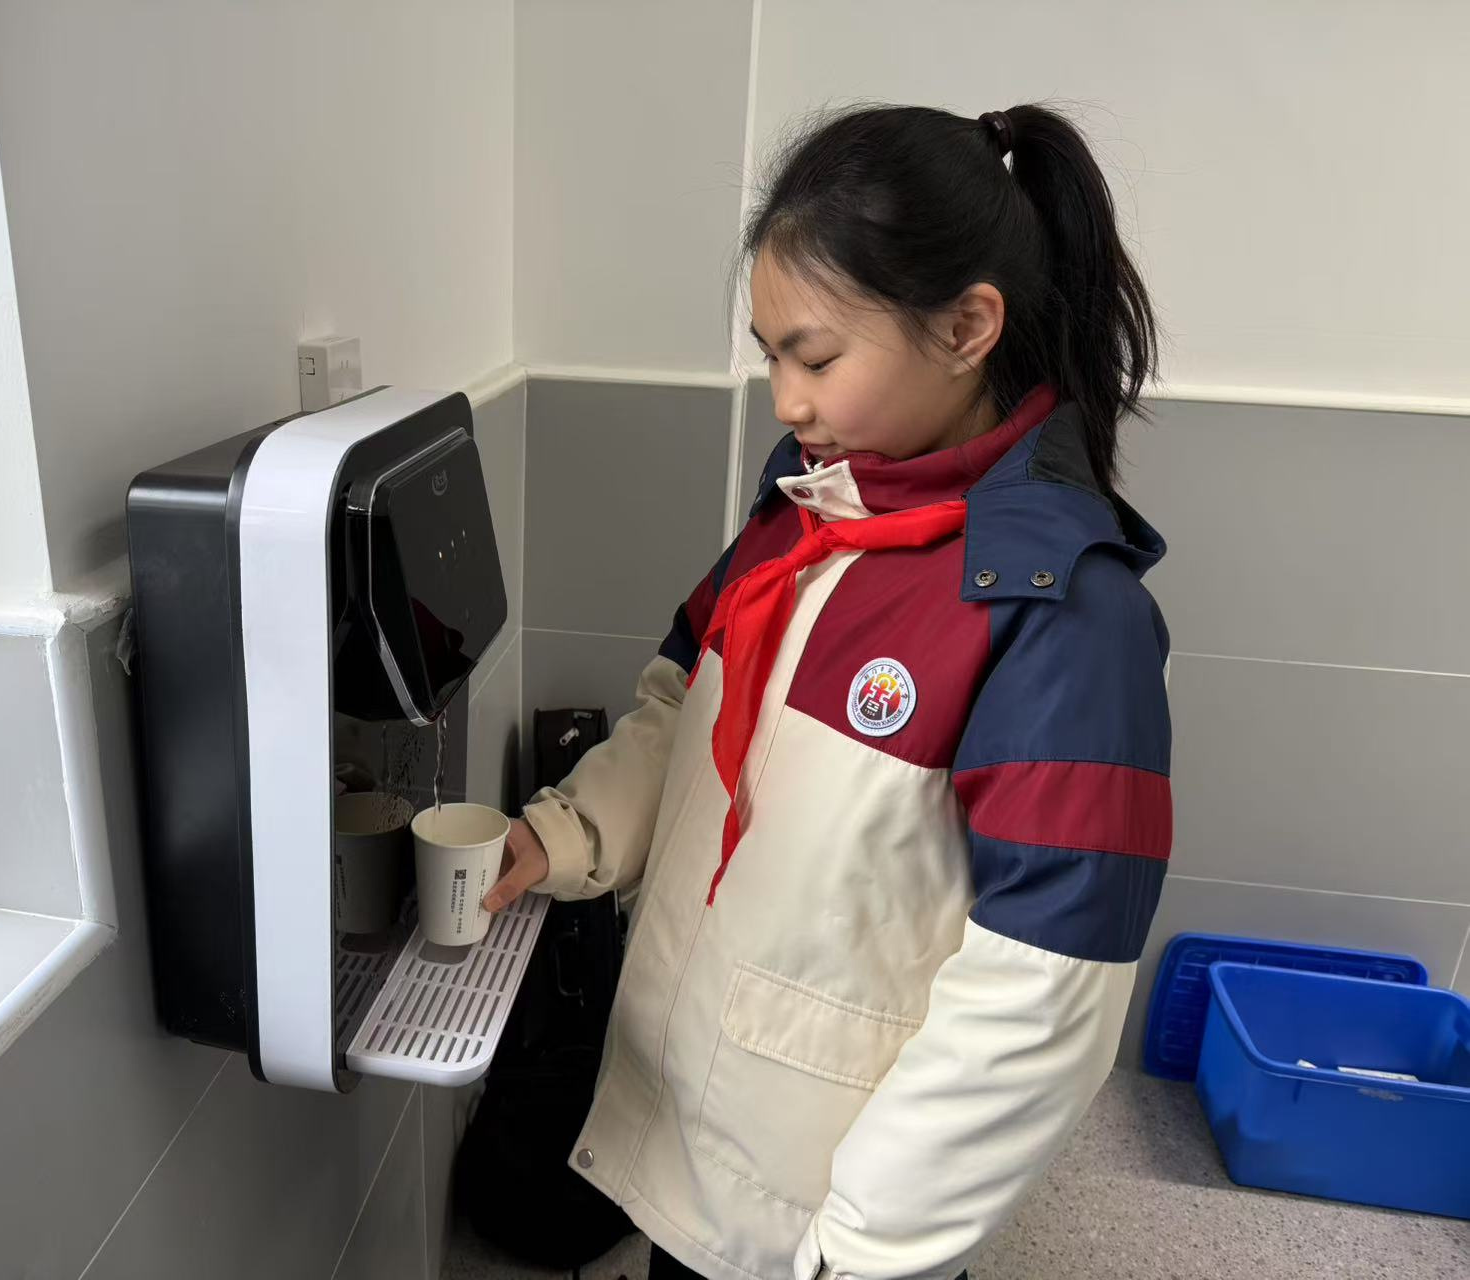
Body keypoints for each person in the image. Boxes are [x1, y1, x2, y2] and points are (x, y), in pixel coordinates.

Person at [482, 103, 1172, 1280]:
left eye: (815, 358)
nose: (785, 400)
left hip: (828, 1224)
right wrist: (563, 834)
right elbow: (681, 715)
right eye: (770, 355)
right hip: (692, 1154)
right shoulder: (807, 511)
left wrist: (865, 1246)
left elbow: (1039, 1002)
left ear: (966, 327)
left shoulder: (1060, 615)